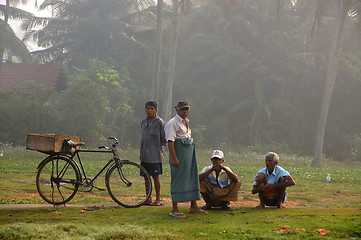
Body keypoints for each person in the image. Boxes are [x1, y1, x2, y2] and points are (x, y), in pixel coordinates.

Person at [165, 101, 207, 218]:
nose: (185, 111)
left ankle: (193, 205)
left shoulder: (186, 122)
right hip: (179, 154)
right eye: (182, 109)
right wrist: (174, 157)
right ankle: (174, 208)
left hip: (189, 154)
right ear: (177, 110)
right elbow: (170, 141)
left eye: (187, 109)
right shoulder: (172, 123)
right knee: (178, 178)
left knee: (192, 177)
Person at [140, 100, 167, 206]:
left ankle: (158, 199)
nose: (150, 111)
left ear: (155, 110)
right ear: (145, 109)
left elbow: (163, 138)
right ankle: (148, 198)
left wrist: (161, 150)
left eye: (152, 108)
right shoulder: (143, 122)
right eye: (148, 108)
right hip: (144, 154)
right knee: (146, 177)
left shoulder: (159, 122)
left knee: (156, 176)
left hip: (155, 154)